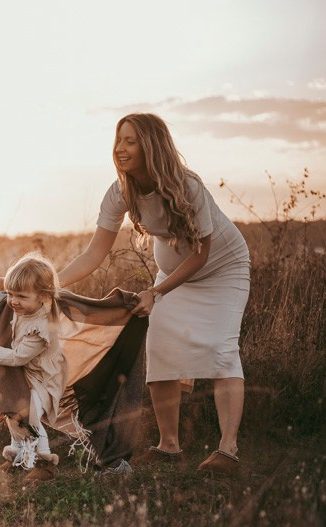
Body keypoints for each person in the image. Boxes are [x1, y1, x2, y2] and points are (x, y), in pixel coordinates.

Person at [57, 113, 250, 476]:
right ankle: (169, 447)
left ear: (151, 146)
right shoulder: (120, 191)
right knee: (160, 347)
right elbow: (94, 254)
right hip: (170, 278)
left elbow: (201, 254)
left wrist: (156, 291)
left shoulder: (187, 186)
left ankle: (228, 452)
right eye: (118, 140)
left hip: (223, 271)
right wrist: (50, 282)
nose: (120, 148)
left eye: (130, 141)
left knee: (221, 348)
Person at [0, 253, 67, 479]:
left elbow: (20, 356)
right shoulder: (22, 310)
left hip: (42, 380)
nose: (13, 301)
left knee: (28, 418)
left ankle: (43, 462)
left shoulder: (41, 326)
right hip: (23, 376)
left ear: (43, 296)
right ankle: (18, 459)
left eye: (21, 296)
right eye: (10, 294)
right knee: (14, 415)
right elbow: (3, 307)